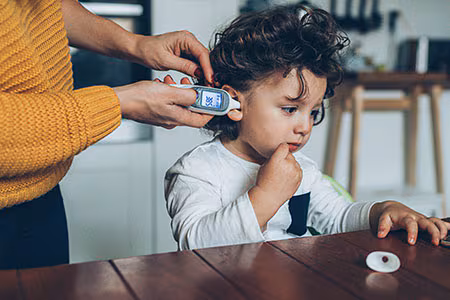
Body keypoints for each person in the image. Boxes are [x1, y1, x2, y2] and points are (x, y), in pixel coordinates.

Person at [164, 4, 450, 250]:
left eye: (312, 112)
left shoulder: (303, 170)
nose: (304, 126)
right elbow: (195, 245)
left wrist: (382, 211)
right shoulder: (197, 171)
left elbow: (339, 218)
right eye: (290, 109)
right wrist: (268, 194)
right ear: (235, 102)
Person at [0, 0, 214, 269]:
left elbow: (47, 6)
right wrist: (120, 103)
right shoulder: (197, 173)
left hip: (42, 191)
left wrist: (136, 45)